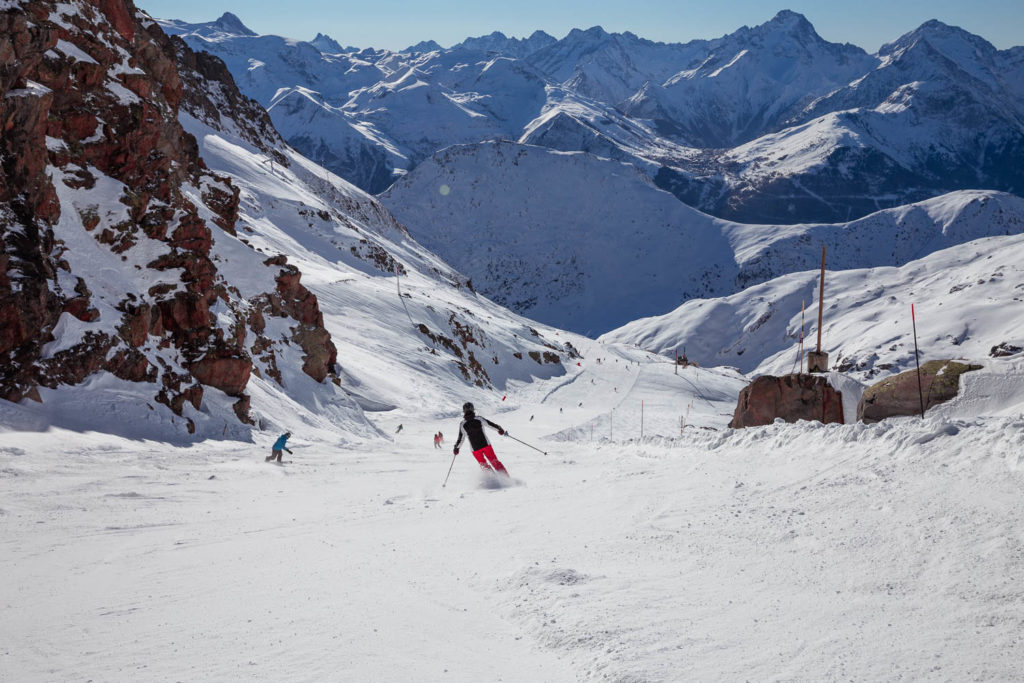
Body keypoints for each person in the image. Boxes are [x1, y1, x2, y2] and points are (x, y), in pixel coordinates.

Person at [453, 402, 508, 476]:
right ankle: (506, 478)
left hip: (475, 449)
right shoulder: (479, 419)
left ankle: (494, 481)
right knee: (494, 462)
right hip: (486, 445)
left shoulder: (463, 424)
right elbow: (491, 425)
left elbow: (460, 439)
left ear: (464, 411)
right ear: (473, 409)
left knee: (484, 466)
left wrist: (456, 448)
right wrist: (499, 429)